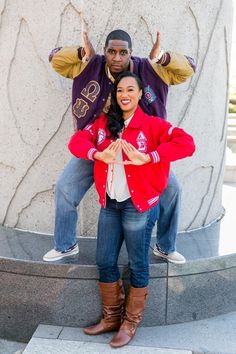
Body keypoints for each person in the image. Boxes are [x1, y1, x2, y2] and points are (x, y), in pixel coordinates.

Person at [43, 29, 196, 263]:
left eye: (123, 52)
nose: (117, 58)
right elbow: (55, 60)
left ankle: (165, 246)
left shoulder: (150, 69)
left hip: (141, 150)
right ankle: (65, 245)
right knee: (65, 187)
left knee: (173, 190)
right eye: (111, 52)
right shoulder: (88, 65)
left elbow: (189, 69)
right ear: (104, 52)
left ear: (130, 53)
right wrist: (82, 53)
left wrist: (161, 56)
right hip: (99, 143)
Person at [68, 72, 195, 348]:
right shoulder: (104, 124)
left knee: (138, 263)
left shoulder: (153, 125)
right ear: (115, 96)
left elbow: (187, 143)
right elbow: (76, 142)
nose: (124, 94)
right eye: (119, 90)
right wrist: (97, 154)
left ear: (139, 94)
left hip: (139, 207)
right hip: (110, 205)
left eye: (130, 90)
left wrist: (149, 157)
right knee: (104, 260)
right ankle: (112, 317)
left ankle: (130, 322)